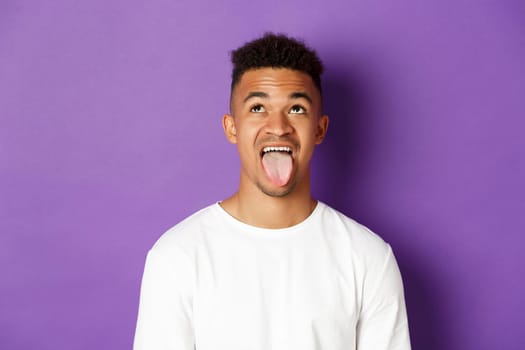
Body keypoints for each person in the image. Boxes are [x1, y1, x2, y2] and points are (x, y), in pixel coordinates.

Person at [133, 33, 411, 350]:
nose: (278, 126)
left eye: (296, 109)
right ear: (231, 127)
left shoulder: (368, 258)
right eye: (257, 107)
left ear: (319, 129)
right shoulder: (176, 256)